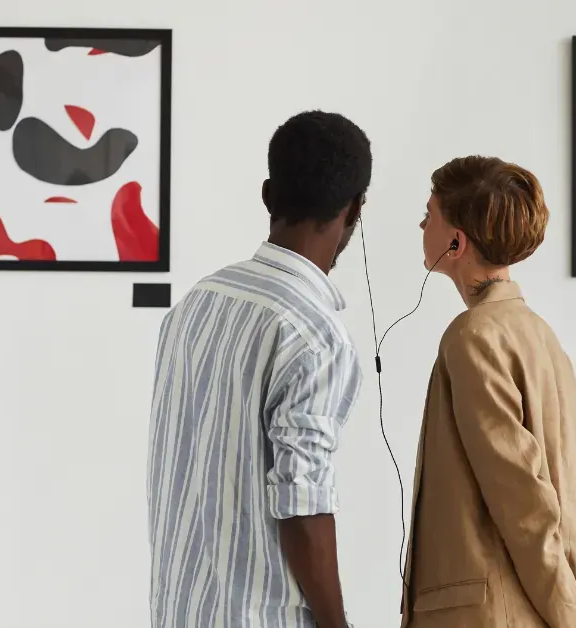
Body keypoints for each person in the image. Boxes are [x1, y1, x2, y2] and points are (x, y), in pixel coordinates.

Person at [147, 111, 370, 628]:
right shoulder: (315, 336)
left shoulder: (196, 303)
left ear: (268, 195)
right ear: (354, 209)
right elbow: (303, 505)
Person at [401, 156, 576, 628]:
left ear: (456, 242)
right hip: (539, 607)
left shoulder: (472, 336)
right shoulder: (542, 336)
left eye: (430, 214)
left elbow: (520, 493)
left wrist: (569, 614)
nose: (421, 223)